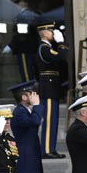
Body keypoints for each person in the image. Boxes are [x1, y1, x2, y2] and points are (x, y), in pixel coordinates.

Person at [36, 22, 68, 159]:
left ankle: (51, 148)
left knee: (53, 120)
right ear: (43, 33)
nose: (53, 33)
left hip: (52, 85)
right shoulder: (43, 48)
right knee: (49, 119)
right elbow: (61, 57)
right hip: (48, 87)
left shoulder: (47, 47)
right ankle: (46, 149)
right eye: (50, 31)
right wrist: (61, 43)